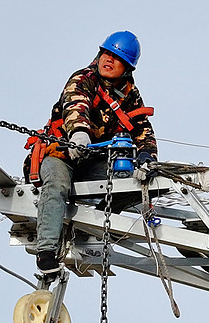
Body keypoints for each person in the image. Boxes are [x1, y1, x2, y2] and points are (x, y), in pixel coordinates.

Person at [25, 31, 157, 286]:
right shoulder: (83, 78)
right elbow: (76, 105)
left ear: (127, 68)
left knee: (138, 183)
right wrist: (79, 134)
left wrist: (146, 156)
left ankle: (90, 228)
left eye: (117, 58)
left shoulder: (129, 95)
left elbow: (142, 128)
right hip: (62, 153)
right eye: (107, 53)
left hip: (94, 162)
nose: (109, 60)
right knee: (57, 185)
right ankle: (47, 252)